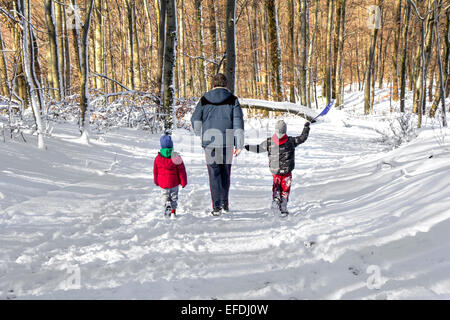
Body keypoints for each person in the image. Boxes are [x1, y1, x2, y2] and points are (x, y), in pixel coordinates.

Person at [191, 73, 245, 216]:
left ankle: (216, 206)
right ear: (226, 85)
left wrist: (198, 131)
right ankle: (225, 203)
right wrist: (239, 143)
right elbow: (238, 121)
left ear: (213, 85)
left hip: (210, 143)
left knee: (214, 173)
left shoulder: (204, 99)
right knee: (225, 173)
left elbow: (196, 119)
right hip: (227, 142)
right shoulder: (233, 100)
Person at [244, 120, 310, 216]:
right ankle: (283, 206)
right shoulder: (291, 141)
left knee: (276, 185)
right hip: (287, 171)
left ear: (275, 130)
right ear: (285, 130)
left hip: (275, 171)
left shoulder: (269, 142)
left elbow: (258, 148)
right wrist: (306, 127)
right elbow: (302, 138)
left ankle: (276, 198)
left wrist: (248, 147)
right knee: (285, 189)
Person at [153, 134, 188, 218]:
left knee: (164, 195)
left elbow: (155, 171)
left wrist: (156, 181)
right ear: (172, 145)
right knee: (174, 196)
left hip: (163, 183)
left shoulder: (158, 158)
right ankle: (173, 211)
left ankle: (166, 205)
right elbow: (182, 171)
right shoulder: (176, 156)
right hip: (174, 182)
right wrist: (183, 182)